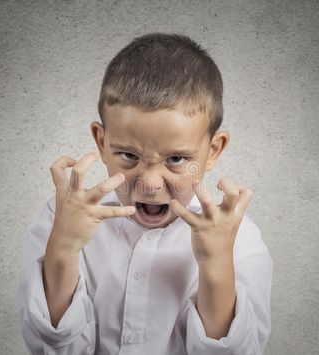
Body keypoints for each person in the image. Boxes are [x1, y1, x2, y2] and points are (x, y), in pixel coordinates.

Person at [16, 32, 272, 355]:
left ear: (213, 151)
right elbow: (47, 349)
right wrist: (63, 247)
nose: (151, 183)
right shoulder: (61, 219)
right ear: (101, 141)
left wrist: (218, 265)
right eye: (129, 156)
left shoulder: (241, 239)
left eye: (176, 159)